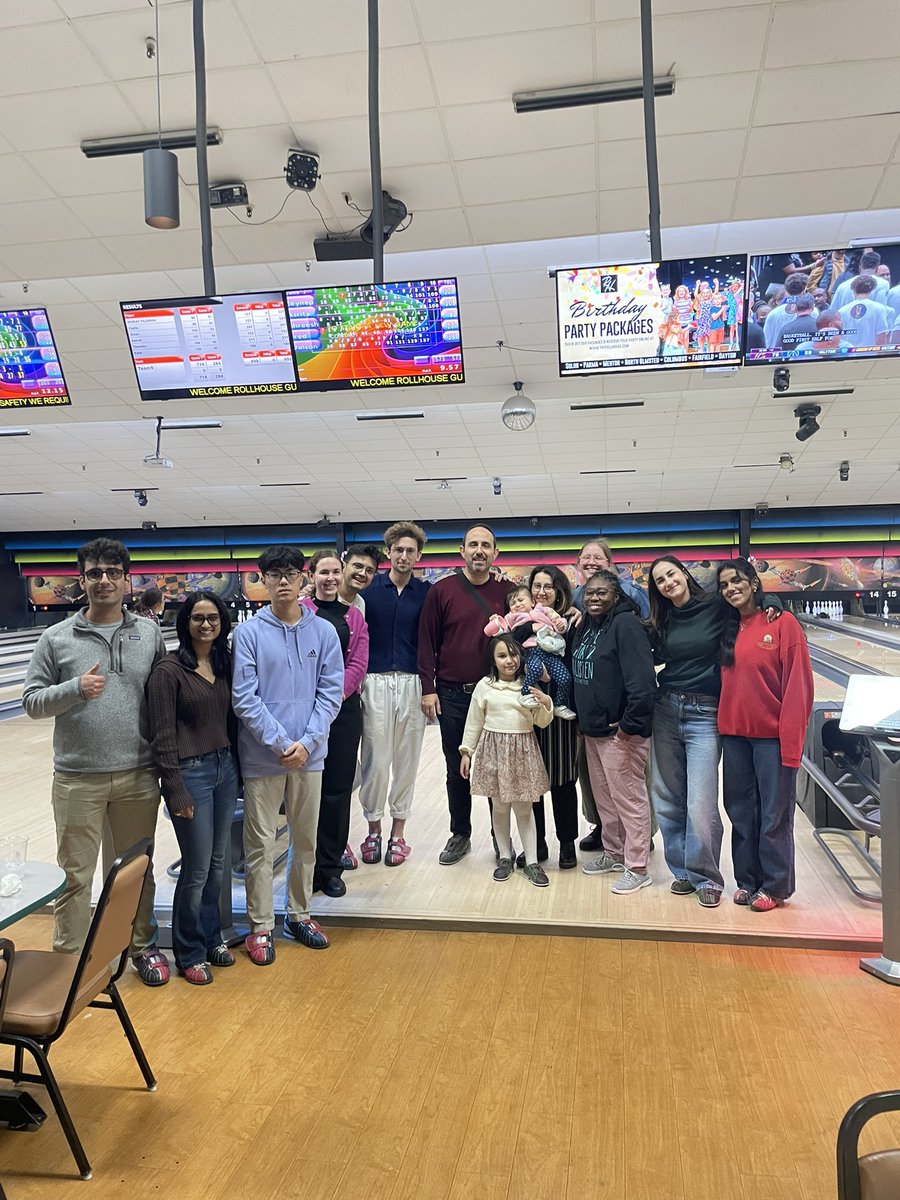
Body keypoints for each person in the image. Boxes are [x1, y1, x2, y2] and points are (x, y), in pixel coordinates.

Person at [22, 538, 169, 984]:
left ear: (127, 580)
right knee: (75, 877)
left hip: (137, 774)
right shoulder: (56, 637)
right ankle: (69, 962)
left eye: (112, 572)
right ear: (81, 581)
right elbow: (31, 701)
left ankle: (140, 946)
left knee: (134, 873)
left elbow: (163, 698)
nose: (103, 580)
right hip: (76, 779)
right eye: (94, 573)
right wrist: (73, 690)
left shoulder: (149, 634)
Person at [647, 555, 782, 908]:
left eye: (671, 574)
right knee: (667, 797)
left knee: (701, 801)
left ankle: (707, 876)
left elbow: (747, 600)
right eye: (660, 580)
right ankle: (682, 872)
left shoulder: (714, 606)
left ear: (684, 574)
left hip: (705, 712)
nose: (667, 583)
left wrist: (773, 600)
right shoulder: (662, 618)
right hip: (666, 709)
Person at [232, 545, 343, 962]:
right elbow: (245, 699)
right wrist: (282, 744)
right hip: (264, 758)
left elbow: (330, 694)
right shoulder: (247, 634)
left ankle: (299, 914)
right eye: (274, 573)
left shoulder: (324, 632)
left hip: (310, 756)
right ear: (263, 580)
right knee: (259, 846)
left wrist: (308, 743)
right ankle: (259, 926)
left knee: (306, 841)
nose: (283, 580)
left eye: (290, 573)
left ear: (304, 578)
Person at [147, 590, 240, 986]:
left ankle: (211, 936)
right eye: (198, 618)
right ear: (185, 622)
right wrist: (176, 789)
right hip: (191, 773)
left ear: (222, 622)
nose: (206, 624)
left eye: (213, 618)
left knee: (218, 864)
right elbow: (162, 736)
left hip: (225, 768)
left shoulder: (224, 662)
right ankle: (188, 951)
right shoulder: (169, 672)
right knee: (197, 867)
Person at [717, 560, 814, 911]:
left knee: (774, 814)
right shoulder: (728, 627)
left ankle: (775, 886)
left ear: (755, 583)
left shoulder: (783, 623)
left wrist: (792, 744)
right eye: (725, 584)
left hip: (772, 739)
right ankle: (747, 880)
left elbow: (799, 689)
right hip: (735, 737)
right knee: (741, 812)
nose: (731, 588)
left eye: (737, 581)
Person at [418, 525, 512, 865]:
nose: (479, 551)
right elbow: (427, 642)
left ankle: (500, 837)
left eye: (486, 545)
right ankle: (461, 833)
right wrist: (428, 688)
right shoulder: (441, 591)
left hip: (497, 695)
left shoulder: (507, 591)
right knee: (456, 765)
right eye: (473, 544)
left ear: (495, 554)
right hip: (453, 693)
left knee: (497, 768)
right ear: (462, 551)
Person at [572, 571, 657, 894]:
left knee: (630, 800)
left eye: (602, 593)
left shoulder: (626, 626)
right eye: (590, 593)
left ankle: (637, 866)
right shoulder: (588, 627)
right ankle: (613, 852)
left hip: (620, 733)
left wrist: (628, 725)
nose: (594, 598)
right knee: (606, 800)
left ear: (616, 596)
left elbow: (643, 683)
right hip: (593, 731)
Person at [358, 521, 431, 868]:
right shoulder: (368, 591)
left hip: (412, 683)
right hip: (373, 682)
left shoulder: (426, 593)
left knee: (406, 760)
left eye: (410, 550)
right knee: (375, 761)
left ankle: (398, 834)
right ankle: (373, 828)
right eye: (398, 550)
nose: (404, 555)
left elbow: (432, 643)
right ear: (389, 553)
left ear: (418, 555)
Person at [459, 635, 554, 888]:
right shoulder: (484, 686)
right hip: (494, 752)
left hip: (523, 752)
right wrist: (467, 751)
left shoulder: (528, 685)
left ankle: (532, 862)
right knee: (499, 807)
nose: (509, 661)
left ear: (521, 657)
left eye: (513, 655)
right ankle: (504, 857)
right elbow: (474, 721)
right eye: (502, 656)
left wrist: (546, 704)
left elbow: (541, 721)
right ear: (493, 659)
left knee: (524, 808)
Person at [302, 549, 369, 898]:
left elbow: (358, 664)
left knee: (337, 791)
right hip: (304, 711)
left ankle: (328, 868)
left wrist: (332, 698)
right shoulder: (300, 613)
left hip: (342, 713)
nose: (329, 578)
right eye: (323, 572)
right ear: (311, 576)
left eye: (335, 572)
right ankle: (304, 866)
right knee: (305, 792)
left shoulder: (354, 617)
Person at [523, 565, 580, 869]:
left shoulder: (571, 622)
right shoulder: (522, 619)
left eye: (548, 586)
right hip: (529, 710)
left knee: (562, 780)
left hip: (560, 712)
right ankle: (538, 842)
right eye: (537, 586)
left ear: (559, 591)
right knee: (532, 781)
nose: (541, 591)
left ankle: (567, 843)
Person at [485, 585, 576, 719]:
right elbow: (502, 632)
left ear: (533, 602)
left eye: (521, 600)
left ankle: (560, 705)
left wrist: (561, 624)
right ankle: (526, 693)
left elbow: (559, 622)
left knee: (565, 678)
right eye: (513, 603)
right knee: (535, 668)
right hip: (530, 652)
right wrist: (495, 621)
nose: (517, 604)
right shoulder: (511, 617)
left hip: (551, 652)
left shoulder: (544, 610)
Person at [837, 276, 892, 348]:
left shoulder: (842, 311)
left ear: (853, 290)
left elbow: (838, 339)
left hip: (848, 356)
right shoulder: (879, 308)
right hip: (870, 356)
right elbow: (881, 338)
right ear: (871, 290)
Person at [764, 273, 809, 348]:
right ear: (805, 290)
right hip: (805, 357)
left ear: (786, 290)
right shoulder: (813, 311)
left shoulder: (773, 313)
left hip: (777, 356)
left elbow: (767, 340)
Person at [338, 543, 384, 614]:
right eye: (358, 566)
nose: (362, 573)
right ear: (343, 566)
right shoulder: (325, 597)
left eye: (369, 571)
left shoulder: (361, 603)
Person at [789, 309, 855, 357]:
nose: (842, 322)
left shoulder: (801, 347)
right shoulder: (802, 348)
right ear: (831, 325)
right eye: (839, 319)